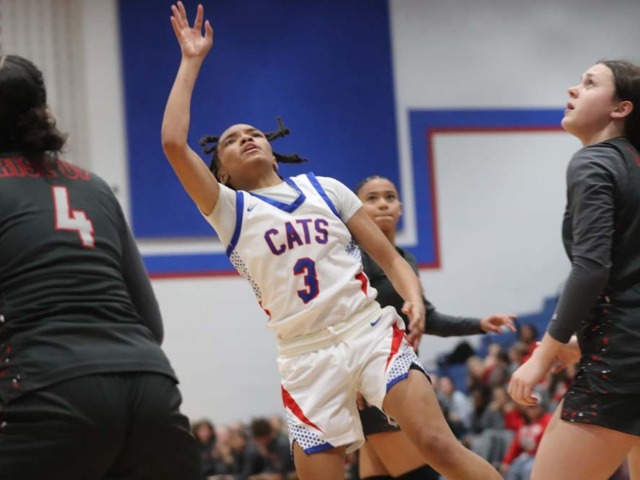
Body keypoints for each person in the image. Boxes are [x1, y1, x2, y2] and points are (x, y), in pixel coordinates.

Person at [161, 3, 502, 479]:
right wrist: (191, 61)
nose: (247, 137)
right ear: (221, 174)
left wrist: (413, 298)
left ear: (273, 152)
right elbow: (173, 144)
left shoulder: (326, 189)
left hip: (366, 330)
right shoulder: (228, 209)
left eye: (254, 133)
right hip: (304, 356)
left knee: (437, 445)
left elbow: (389, 257)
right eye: (232, 140)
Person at [0, 55, 200, 479]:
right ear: (43, 110)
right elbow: (152, 324)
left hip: (48, 388)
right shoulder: (95, 187)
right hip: (151, 394)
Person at [508, 60, 640, 479]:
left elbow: (591, 268)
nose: (573, 89)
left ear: (621, 108)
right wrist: (579, 341)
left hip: (621, 364)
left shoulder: (593, 162)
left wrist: (541, 355)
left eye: (589, 83)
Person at [354, 175, 517, 479]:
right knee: (428, 467)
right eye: (372, 198)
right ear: (357, 209)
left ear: (401, 207)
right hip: (376, 377)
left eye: (389, 197)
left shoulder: (406, 261)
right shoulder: (353, 259)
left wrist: (479, 324)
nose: (383, 204)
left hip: (394, 378)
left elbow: (425, 318)